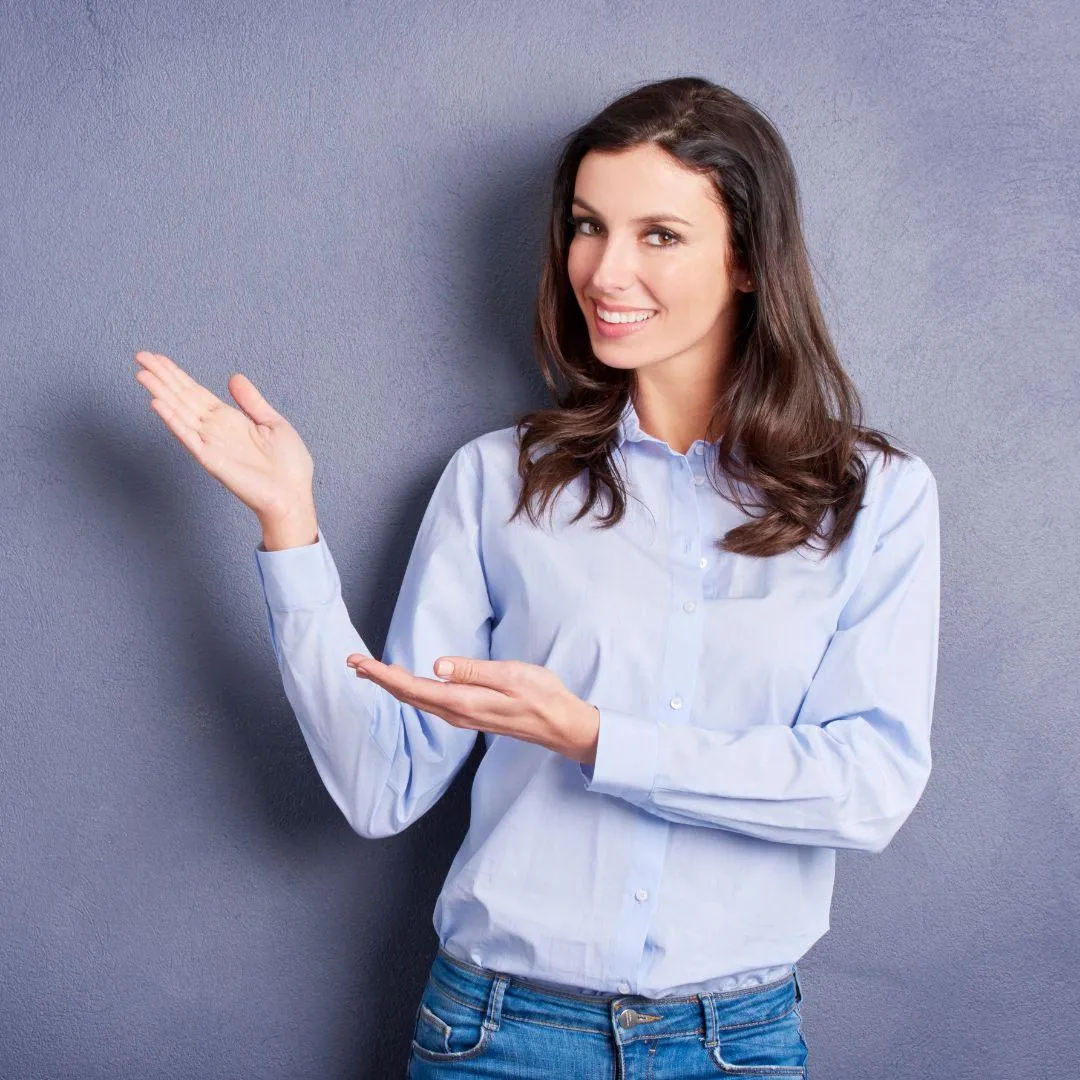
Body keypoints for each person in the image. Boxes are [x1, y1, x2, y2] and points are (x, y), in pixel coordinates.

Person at [132, 75, 940, 1079]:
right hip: (499, 1038)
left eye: (659, 234)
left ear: (746, 258)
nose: (604, 269)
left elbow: (867, 788)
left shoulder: (876, 498)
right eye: (587, 226)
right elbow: (382, 783)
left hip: (736, 1046)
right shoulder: (498, 481)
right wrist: (288, 525)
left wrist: (596, 737)